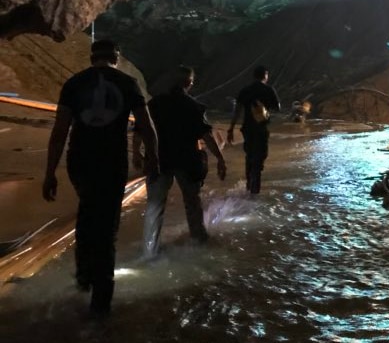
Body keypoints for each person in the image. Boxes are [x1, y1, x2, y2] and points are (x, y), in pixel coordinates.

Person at [42, 39, 159, 317]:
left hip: (79, 161)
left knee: (87, 210)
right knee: (107, 226)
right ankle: (100, 302)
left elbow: (59, 132)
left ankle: (83, 277)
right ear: (116, 57)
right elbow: (147, 127)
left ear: (92, 57)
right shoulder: (128, 84)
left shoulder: (73, 83)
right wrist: (152, 160)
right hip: (111, 162)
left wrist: (49, 173)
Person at [135, 66, 227, 259]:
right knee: (192, 202)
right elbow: (207, 136)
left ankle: (150, 251)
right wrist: (219, 158)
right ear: (190, 83)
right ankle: (199, 242)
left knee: (155, 206)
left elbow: (141, 129)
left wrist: (137, 153)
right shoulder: (194, 106)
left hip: (160, 160)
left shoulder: (155, 104)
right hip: (187, 161)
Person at [227, 65, 281, 194]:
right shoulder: (269, 90)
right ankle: (254, 190)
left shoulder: (245, 90)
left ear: (253, 76)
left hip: (247, 129)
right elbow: (277, 108)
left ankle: (248, 184)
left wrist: (231, 129)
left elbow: (237, 111)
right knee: (260, 157)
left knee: (250, 155)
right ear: (265, 75)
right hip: (261, 128)